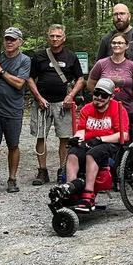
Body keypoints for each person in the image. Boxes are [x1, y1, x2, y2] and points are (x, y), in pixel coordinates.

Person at [55, 78, 130, 211]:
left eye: (104, 95)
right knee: (73, 153)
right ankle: (71, 190)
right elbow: (82, 130)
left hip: (110, 142)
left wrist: (101, 139)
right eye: (97, 93)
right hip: (89, 141)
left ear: (111, 97)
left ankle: (88, 196)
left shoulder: (118, 109)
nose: (99, 97)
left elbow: (123, 135)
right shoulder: (87, 109)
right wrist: (76, 138)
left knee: (93, 154)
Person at [27, 24, 86, 186]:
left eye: (58, 36)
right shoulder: (39, 56)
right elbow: (30, 78)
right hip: (42, 103)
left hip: (63, 103)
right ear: (48, 37)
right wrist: (38, 97)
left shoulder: (71, 57)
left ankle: (63, 170)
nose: (54, 39)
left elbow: (81, 79)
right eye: (52, 36)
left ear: (64, 38)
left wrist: (71, 96)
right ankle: (42, 171)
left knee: (65, 138)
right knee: (41, 136)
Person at [0, 27, 32, 194]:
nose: (9, 42)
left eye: (13, 39)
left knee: (13, 145)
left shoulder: (24, 60)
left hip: (14, 111)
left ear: (20, 42)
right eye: (7, 39)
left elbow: (19, 84)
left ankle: (12, 179)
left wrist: (1, 71)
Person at [88, 32, 133, 130]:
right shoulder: (101, 64)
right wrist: (100, 97)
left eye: (120, 43)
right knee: (104, 139)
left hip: (127, 109)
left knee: (126, 140)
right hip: (104, 110)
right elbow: (90, 84)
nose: (116, 45)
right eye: (114, 43)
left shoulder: (132, 66)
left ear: (127, 45)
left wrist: (128, 95)